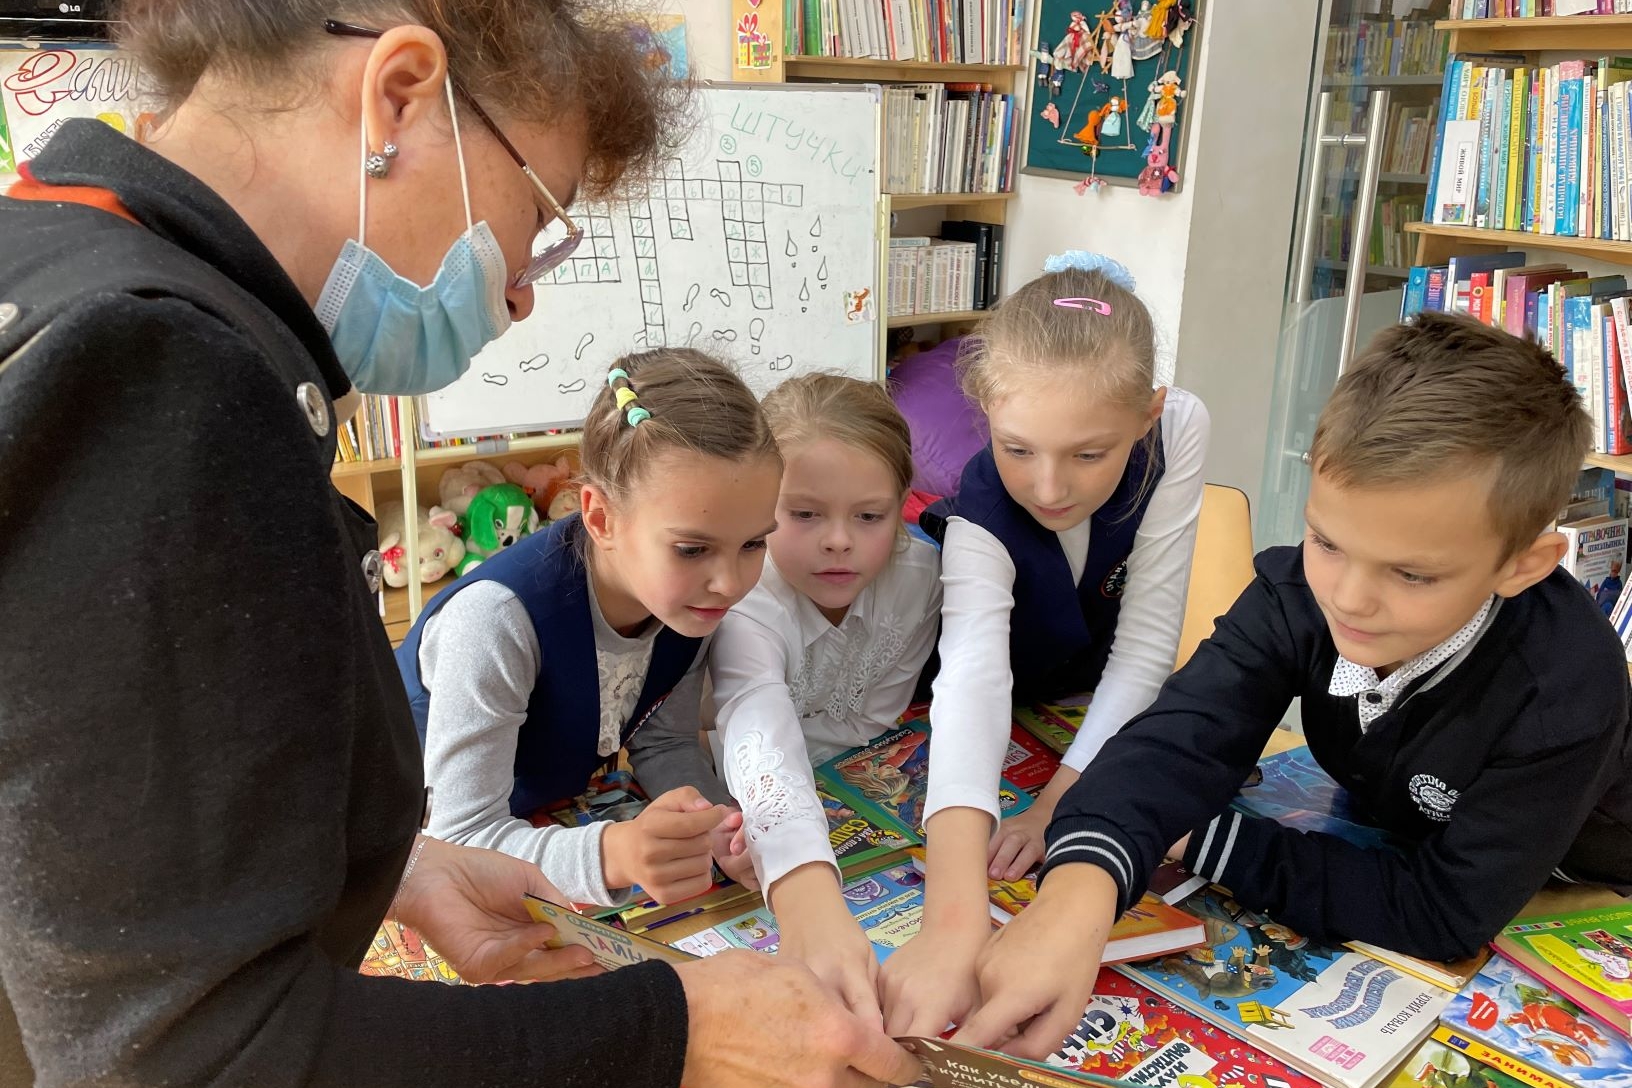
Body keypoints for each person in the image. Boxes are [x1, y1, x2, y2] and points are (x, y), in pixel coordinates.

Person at [0, 2, 921, 1085]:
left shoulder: (57, 254)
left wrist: (400, 869)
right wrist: (673, 1030)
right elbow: (189, 1054)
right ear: (398, 95)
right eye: (538, 217)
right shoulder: (154, 368)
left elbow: (100, 838)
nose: (523, 291)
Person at [962, 312, 1632, 1059]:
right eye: (1327, 541)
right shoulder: (1296, 595)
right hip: (1400, 824)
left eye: (1412, 574)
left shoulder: (1565, 685)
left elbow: (1443, 910)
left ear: (1523, 565)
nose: (1349, 598)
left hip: (1585, 873)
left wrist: (1199, 834)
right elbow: (1178, 739)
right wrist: (1076, 894)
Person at [895, 252, 1208, 1037]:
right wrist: (952, 920)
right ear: (985, 410)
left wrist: (1056, 803)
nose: (1048, 487)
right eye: (1017, 448)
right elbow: (972, 678)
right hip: (997, 697)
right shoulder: (979, 510)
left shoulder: (1180, 425)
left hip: (1091, 696)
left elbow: (1146, 644)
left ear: (1148, 415)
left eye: (1089, 454)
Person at [399, 350, 777, 907]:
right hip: (409, 852)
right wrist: (612, 856)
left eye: (753, 543)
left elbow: (665, 740)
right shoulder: (494, 622)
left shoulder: (686, 601)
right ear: (600, 518)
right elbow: (459, 842)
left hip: (536, 819)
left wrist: (719, 826)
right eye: (692, 549)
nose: (729, 582)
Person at [711, 374, 941, 1022]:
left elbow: (873, 721)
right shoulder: (748, 595)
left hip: (834, 804)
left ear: (901, 506)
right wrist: (806, 895)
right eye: (805, 514)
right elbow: (756, 720)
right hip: (738, 802)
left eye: (869, 516)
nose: (839, 540)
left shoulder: (920, 579)